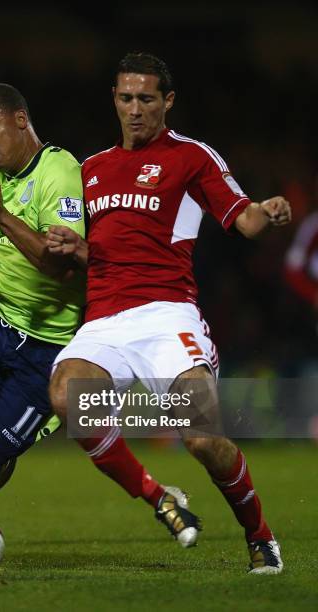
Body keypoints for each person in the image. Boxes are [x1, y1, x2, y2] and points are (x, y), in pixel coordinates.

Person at [0, 83, 195, 570]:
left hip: (46, 351)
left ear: (20, 120)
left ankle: (28, 431)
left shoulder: (60, 173)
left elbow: (59, 265)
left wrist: (0, 213)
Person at [48, 52, 292, 575]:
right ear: (114, 99)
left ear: (168, 101)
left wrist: (267, 212)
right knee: (67, 394)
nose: (135, 109)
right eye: (125, 98)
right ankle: (159, 495)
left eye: (146, 99)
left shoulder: (191, 157)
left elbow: (244, 221)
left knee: (203, 438)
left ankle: (260, 534)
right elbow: (103, 255)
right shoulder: (91, 169)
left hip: (168, 315)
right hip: (105, 319)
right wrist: (74, 245)